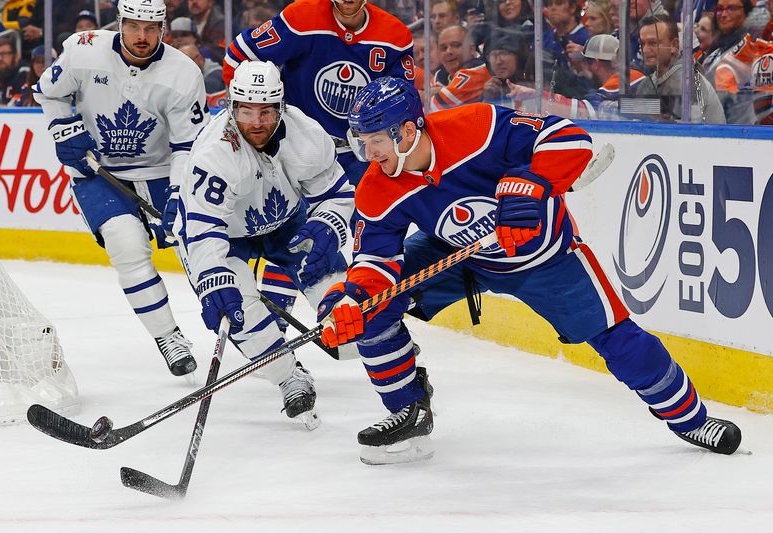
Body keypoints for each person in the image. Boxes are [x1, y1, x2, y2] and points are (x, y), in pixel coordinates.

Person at [316, 76, 743, 465]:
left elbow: (567, 137)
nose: (368, 155)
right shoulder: (376, 187)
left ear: (407, 131)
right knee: (372, 310)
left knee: (619, 339)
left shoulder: (476, 127)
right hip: (460, 254)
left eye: (374, 141)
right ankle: (408, 412)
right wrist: (352, 299)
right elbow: (376, 261)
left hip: (546, 259)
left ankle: (689, 419)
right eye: (361, 143)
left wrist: (533, 182)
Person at [173, 61, 356, 428]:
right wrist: (213, 278)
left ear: (281, 107)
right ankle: (290, 376)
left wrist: (327, 224)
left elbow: (338, 194)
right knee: (237, 308)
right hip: (225, 236)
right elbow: (206, 230)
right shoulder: (215, 154)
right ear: (231, 106)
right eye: (246, 111)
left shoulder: (306, 136)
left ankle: (384, 347)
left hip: (286, 222)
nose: (256, 122)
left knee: (342, 305)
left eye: (266, 111)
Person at [33, 0, 208, 378]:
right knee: (126, 246)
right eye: (133, 27)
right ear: (119, 24)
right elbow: (48, 91)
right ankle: (168, 337)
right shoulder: (83, 50)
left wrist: (178, 192)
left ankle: (242, 327)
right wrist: (65, 128)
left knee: (200, 249)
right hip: (98, 172)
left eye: (150, 28)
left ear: (163, 28)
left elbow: (187, 147)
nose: (141, 37)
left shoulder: (183, 73)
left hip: (162, 170)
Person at [222, 0, 415, 336]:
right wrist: (249, 128)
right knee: (294, 232)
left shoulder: (394, 36)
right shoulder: (300, 18)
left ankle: (372, 331)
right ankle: (275, 326)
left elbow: (405, 100)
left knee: (349, 236)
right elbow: (238, 58)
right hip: (294, 149)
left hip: (357, 155)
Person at [635, 14, 726, 123]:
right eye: (642, 44)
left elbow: (687, 133)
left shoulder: (687, 80)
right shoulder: (646, 84)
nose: (645, 50)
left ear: (674, 45)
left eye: (653, 43)